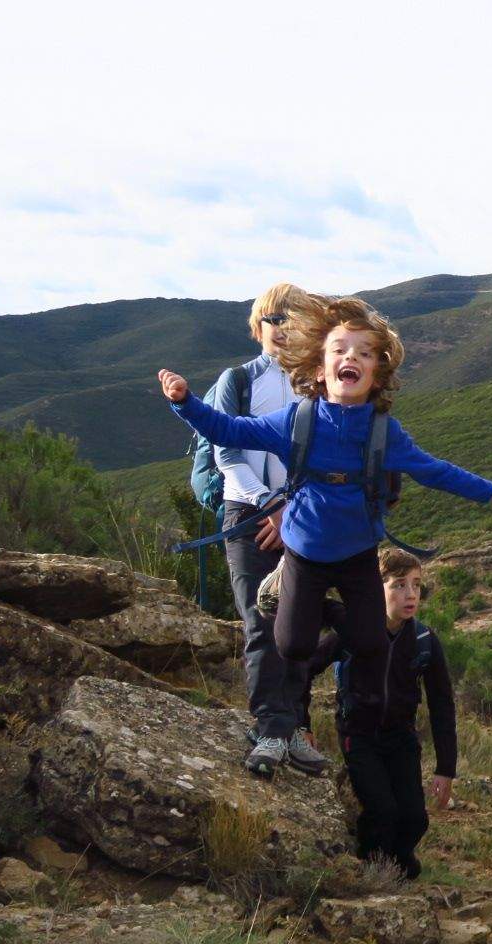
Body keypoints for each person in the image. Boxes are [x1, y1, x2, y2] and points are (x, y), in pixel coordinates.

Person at [159, 297, 492, 779]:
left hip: (358, 552)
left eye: (364, 353)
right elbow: (228, 429)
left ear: (377, 374)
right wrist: (184, 402)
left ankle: (336, 654)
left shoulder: (385, 432)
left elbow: (435, 470)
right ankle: (298, 611)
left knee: (371, 642)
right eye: (339, 350)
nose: (350, 358)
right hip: (304, 552)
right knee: (292, 645)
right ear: (319, 369)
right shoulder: (296, 421)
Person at [210, 282, 325, 776]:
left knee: (299, 626)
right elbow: (226, 454)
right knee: (260, 623)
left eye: (290, 319)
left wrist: (291, 510)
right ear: (257, 326)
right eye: (272, 319)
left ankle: (293, 725)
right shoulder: (237, 380)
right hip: (248, 515)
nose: (280, 328)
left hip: (301, 519)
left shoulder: (316, 386)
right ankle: (271, 728)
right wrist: (269, 504)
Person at [305, 549, 456, 879]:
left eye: (416, 585)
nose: (411, 594)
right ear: (377, 589)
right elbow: (304, 669)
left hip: (401, 738)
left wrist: (446, 768)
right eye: (399, 585)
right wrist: (302, 723)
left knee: (415, 819)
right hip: (358, 736)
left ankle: (398, 862)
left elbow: (442, 705)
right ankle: (370, 864)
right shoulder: (352, 632)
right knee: (382, 811)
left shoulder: (424, 640)